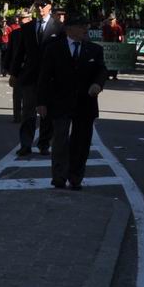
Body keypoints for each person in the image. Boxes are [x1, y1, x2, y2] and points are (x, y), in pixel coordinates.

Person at [36, 10, 108, 189]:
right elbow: (44, 77)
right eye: (81, 26)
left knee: (81, 142)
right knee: (60, 140)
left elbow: (101, 70)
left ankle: (76, 177)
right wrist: (41, 102)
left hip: (85, 103)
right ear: (69, 29)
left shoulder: (94, 49)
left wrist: (97, 84)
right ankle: (59, 176)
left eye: (86, 26)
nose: (85, 29)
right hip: (60, 102)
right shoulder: (54, 48)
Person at [9, 0, 62, 158]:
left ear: (50, 6)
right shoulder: (27, 28)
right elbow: (20, 53)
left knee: (47, 112)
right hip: (31, 75)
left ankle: (44, 143)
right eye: (37, 4)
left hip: (51, 77)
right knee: (28, 111)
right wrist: (14, 73)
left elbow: (63, 54)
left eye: (43, 4)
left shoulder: (59, 28)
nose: (40, 8)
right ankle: (25, 144)